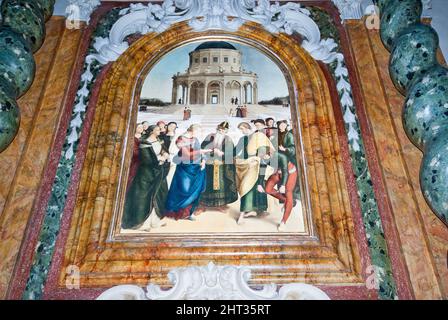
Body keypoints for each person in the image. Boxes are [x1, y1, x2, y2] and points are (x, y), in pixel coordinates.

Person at [122, 125, 170, 230]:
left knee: (157, 196)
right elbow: (147, 160)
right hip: (146, 173)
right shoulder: (144, 143)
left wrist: (164, 154)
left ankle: (155, 221)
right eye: (157, 129)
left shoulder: (159, 140)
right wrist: (161, 158)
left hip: (158, 171)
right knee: (144, 197)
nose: (160, 131)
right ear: (152, 131)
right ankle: (142, 223)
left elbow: (163, 150)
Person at [164, 124, 211, 220]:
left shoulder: (195, 139)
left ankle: (189, 213)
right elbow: (187, 155)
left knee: (195, 190)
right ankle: (180, 212)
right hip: (185, 168)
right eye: (198, 131)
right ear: (192, 130)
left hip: (197, 168)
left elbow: (199, 151)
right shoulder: (181, 139)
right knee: (185, 190)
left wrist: (203, 161)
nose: (198, 134)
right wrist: (202, 151)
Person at [265, 120, 298, 232]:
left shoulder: (288, 136)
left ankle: (283, 221)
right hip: (278, 170)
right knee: (268, 189)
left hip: (289, 171)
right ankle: (288, 202)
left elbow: (285, 170)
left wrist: (283, 185)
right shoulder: (269, 149)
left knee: (288, 192)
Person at [234, 122, 270, 225]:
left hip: (257, 165)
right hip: (247, 166)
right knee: (246, 188)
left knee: (256, 187)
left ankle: (258, 210)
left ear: (247, 128)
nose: (242, 131)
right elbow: (235, 151)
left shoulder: (258, 137)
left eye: (242, 129)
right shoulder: (243, 139)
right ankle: (244, 212)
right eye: (240, 130)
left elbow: (264, 153)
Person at [200, 121, 238, 210]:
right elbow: (202, 147)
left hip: (221, 165)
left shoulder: (228, 139)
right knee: (208, 183)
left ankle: (220, 204)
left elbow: (230, 154)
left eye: (224, 130)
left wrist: (222, 153)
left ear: (226, 131)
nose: (221, 131)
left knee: (220, 185)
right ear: (217, 129)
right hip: (209, 164)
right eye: (220, 129)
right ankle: (205, 204)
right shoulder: (210, 136)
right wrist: (212, 151)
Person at [127, 123, 144, 189]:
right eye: (139, 127)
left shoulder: (144, 137)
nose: (141, 129)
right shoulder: (131, 137)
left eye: (142, 128)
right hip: (133, 160)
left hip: (141, 161)